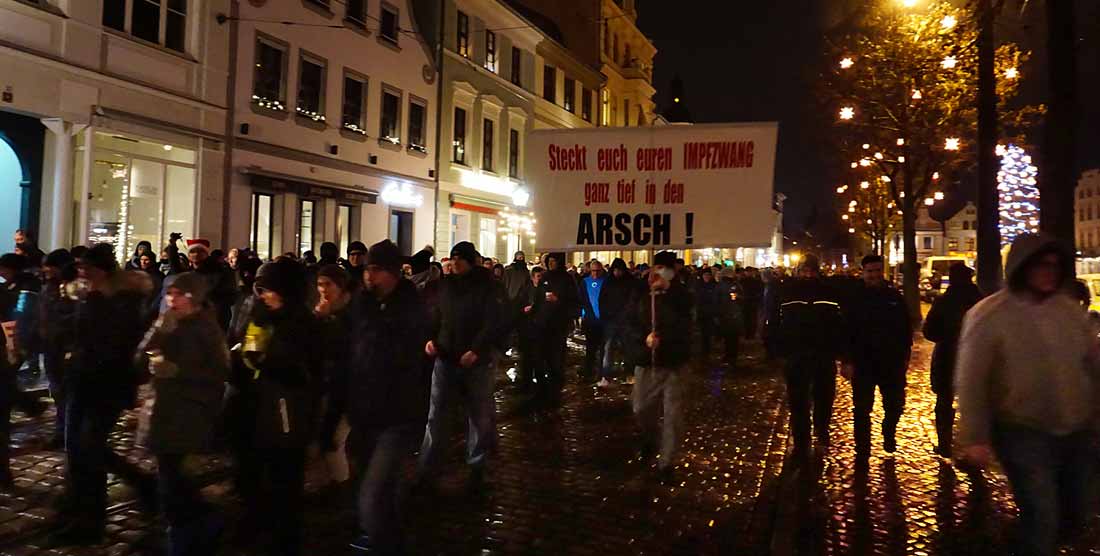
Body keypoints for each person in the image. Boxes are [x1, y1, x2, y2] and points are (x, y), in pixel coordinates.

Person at [956, 234, 1098, 556]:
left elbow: (1093, 363)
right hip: (1022, 429)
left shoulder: (1069, 312)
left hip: (1076, 428)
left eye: (1054, 266)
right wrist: (975, 436)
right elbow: (972, 378)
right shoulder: (989, 315)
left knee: (1078, 512)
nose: (1049, 272)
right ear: (1022, 268)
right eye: (1041, 266)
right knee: (1042, 514)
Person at [51, 244, 155, 545]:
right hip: (80, 380)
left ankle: (90, 520)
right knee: (78, 450)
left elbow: (114, 343)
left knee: (89, 449)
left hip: (106, 384)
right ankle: (76, 510)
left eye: (87, 267)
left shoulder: (120, 300)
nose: (81, 271)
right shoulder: (87, 295)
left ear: (103, 270)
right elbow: (76, 331)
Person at [332, 241, 430, 554]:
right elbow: (348, 352)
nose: (369, 277)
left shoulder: (410, 308)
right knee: (377, 489)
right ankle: (388, 537)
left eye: (376, 270)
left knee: (373, 494)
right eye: (367, 270)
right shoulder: (363, 304)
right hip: (365, 412)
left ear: (393, 273)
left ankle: (384, 540)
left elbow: (402, 357)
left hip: (398, 415)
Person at [226, 258, 319, 556]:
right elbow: (244, 351)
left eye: (269, 289)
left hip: (285, 414)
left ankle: (284, 541)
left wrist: (269, 361)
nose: (263, 294)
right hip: (250, 409)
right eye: (260, 288)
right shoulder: (257, 315)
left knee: (285, 483)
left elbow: (306, 370)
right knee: (248, 476)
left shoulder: (303, 322)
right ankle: (256, 525)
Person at [136, 272, 229, 555]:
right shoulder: (166, 324)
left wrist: (179, 372)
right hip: (161, 408)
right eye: (170, 294)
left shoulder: (207, 329)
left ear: (195, 298)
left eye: (180, 294)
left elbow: (220, 372)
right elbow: (139, 362)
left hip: (189, 412)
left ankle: (188, 533)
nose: (173, 300)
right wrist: (158, 332)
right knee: (170, 477)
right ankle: (194, 527)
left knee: (172, 480)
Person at [418, 241, 504, 488]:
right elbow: (435, 316)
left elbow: (493, 322)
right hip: (446, 358)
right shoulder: (444, 286)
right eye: (452, 258)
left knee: (478, 415)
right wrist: (430, 340)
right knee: (436, 417)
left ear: (470, 261)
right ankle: (428, 469)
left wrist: (477, 350)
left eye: (460, 259)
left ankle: (476, 465)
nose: (454, 263)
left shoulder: (488, 287)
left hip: (475, 362)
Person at [628, 251, 692, 482]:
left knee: (673, 416)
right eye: (657, 267)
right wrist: (643, 340)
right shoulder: (641, 293)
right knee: (641, 407)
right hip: (647, 362)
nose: (659, 271)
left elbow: (685, 326)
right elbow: (631, 322)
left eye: (664, 268)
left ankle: (667, 462)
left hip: (674, 363)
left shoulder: (681, 295)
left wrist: (664, 335)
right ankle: (649, 439)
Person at [841, 255, 912, 460]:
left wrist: (905, 355)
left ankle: (888, 433)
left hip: (891, 362)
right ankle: (862, 449)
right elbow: (845, 330)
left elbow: (904, 327)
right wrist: (846, 360)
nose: (874, 275)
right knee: (862, 409)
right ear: (863, 273)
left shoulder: (894, 297)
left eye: (877, 271)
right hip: (863, 362)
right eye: (870, 271)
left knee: (895, 405)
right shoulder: (854, 298)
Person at [777, 254, 845, 460]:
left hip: (823, 354)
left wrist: (838, 350)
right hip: (796, 354)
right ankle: (801, 441)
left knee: (824, 398)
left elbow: (839, 324)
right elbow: (777, 322)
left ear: (817, 272)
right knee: (798, 401)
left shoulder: (829, 292)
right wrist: (779, 349)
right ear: (798, 271)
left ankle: (821, 431)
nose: (807, 275)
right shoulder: (787, 292)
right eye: (804, 271)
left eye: (811, 271)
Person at [922, 263, 981, 458]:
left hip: (947, 356)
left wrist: (945, 337)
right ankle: (973, 447)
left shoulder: (943, 301)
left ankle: (945, 444)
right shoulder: (980, 301)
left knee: (944, 402)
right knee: (973, 404)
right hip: (973, 358)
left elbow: (929, 331)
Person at [313, 264, 354, 490]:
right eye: (319, 284)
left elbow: (343, 347)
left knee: (334, 441)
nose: (322, 289)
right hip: (332, 386)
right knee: (328, 439)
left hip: (350, 388)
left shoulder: (350, 312)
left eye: (328, 284)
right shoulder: (325, 311)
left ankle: (343, 488)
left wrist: (326, 321)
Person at [38, 249, 76, 448]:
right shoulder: (48, 288)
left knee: (66, 393)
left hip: (67, 347)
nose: (47, 270)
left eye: (50, 266)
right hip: (50, 345)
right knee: (58, 391)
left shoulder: (73, 288)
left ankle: (66, 434)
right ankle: (62, 431)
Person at [532, 253, 580, 405]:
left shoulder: (566, 279)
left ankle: (555, 387)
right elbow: (538, 298)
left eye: (554, 261)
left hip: (558, 324)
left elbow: (573, 300)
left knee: (556, 357)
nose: (552, 264)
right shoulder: (545, 277)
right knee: (541, 355)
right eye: (549, 261)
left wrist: (558, 300)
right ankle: (541, 387)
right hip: (542, 323)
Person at [596, 258, 637, 387]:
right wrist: (606, 315)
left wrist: (628, 315)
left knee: (628, 349)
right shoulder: (608, 282)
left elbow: (633, 300)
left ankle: (629, 374)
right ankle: (606, 375)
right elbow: (602, 300)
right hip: (611, 320)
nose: (617, 273)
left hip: (625, 321)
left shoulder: (630, 282)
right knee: (608, 348)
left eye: (619, 270)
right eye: (615, 270)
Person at [187, 240, 237, 331]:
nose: (196, 254)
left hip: (216, 314)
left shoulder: (219, 270)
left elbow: (229, 293)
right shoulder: (188, 272)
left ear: (206, 254)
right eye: (192, 251)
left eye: (200, 251)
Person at [516, 266, 543, 393]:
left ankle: (539, 382)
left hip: (541, 328)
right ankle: (526, 382)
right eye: (538, 277)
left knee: (539, 357)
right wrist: (524, 309)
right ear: (532, 278)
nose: (540, 279)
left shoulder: (545, 290)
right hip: (528, 328)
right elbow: (518, 306)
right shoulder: (526, 290)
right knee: (527, 358)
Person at [580, 260, 607, 381]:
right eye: (593, 271)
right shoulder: (585, 282)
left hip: (602, 320)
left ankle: (601, 372)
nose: (595, 273)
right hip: (590, 320)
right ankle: (589, 371)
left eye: (597, 271)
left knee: (603, 348)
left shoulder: (605, 281)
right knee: (590, 348)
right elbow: (582, 300)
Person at [715, 267, 744, 368]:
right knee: (732, 337)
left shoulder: (721, 285)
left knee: (729, 337)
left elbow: (716, 300)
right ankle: (731, 356)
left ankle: (729, 356)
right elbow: (742, 298)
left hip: (726, 314)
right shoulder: (734, 284)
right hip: (733, 314)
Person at [695, 267, 720, 357]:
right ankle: (704, 349)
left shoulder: (714, 285)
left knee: (708, 332)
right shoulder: (699, 285)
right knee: (703, 332)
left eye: (708, 275)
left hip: (710, 312)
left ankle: (707, 349)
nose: (706, 277)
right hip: (702, 312)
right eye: (705, 275)